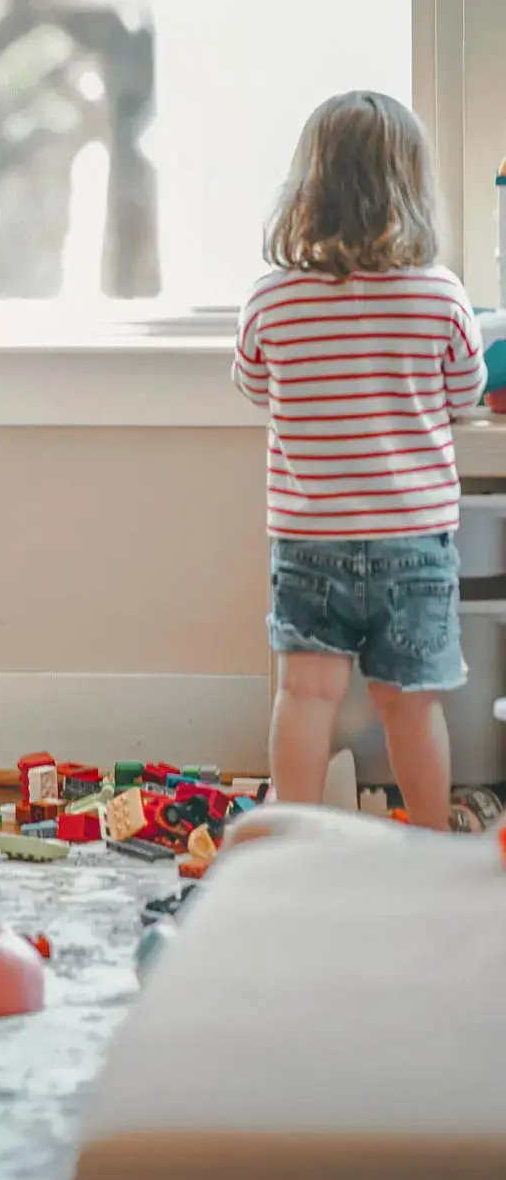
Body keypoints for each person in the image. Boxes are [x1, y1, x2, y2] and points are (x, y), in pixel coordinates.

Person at [232, 89, 485, 831]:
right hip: (413, 541)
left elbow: (253, 383)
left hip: (311, 540)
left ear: (307, 188)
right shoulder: (440, 295)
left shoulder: (272, 298)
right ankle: (434, 842)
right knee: (412, 703)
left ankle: (295, 844)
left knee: (305, 696)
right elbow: (464, 390)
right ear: (411, 187)